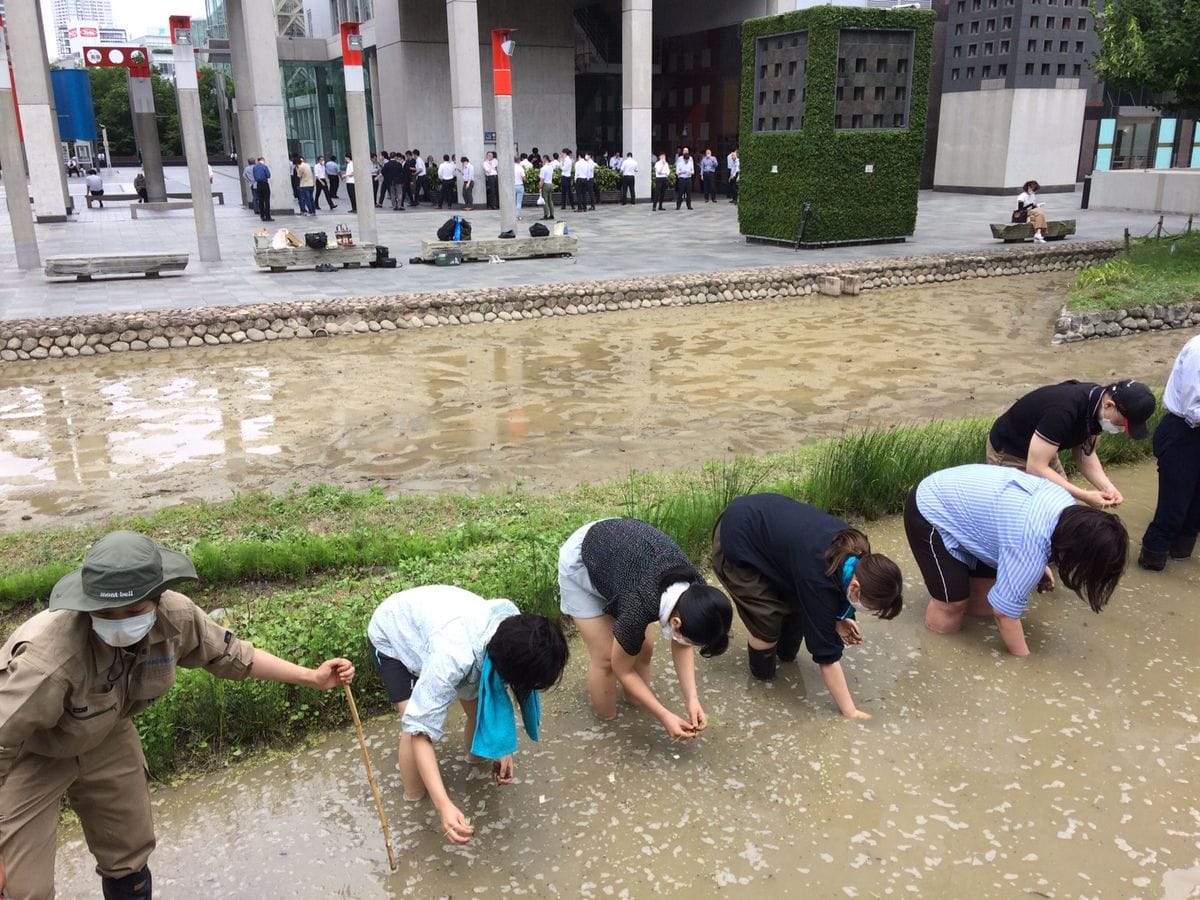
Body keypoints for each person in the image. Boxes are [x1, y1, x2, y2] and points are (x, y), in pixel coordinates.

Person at [0, 531, 355, 900]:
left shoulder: (176, 617)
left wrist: (311, 677)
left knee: (129, 849)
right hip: (28, 750)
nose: (119, 621)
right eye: (106, 613)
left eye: (133, 610)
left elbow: (233, 655)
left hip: (107, 733)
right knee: (24, 886)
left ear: (157, 600)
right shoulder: (49, 660)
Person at [367, 585, 568, 846]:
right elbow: (419, 730)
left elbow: (493, 696)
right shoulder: (450, 659)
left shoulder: (517, 632)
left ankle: (475, 763)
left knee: (473, 699)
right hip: (395, 635)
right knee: (410, 722)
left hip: (444, 622)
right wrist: (443, 807)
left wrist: (500, 749)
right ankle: (414, 802)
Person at [711, 494, 903, 720]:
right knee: (767, 624)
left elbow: (830, 593)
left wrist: (839, 618)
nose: (866, 610)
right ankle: (762, 682)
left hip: (772, 530)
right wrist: (850, 711)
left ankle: (781, 660)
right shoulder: (818, 577)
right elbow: (827, 657)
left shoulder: (861, 552)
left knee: (794, 625)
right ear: (856, 586)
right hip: (737, 536)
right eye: (868, 606)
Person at [904, 464, 1128, 657]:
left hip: (977, 514)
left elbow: (1027, 541)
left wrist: (1038, 566)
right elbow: (1004, 614)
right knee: (952, 603)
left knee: (982, 603)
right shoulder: (1028, 547)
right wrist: (1023, 664)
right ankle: (936, 656)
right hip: (932, 508)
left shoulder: (1066, 506)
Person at [557, 518, 732, 739]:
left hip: (623, 555)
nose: (688, 644)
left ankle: (636, 705)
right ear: (676, 623)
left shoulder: (697, 593)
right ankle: (607, 728)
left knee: (644, 649)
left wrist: (692, 699)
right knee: (606, 660)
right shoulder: (638, 605)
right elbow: (623, 669)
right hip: (583, 559)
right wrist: (663, 715)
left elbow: (682, 642)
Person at [987, 379, 1155, 508]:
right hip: (1011, 451)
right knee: (1027, 513)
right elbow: (1036, 468)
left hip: (1044, 449)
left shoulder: (1097, 409)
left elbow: (1085, 456)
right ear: (1109, 405)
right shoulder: (1064, 410)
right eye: (1123, 424)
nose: (1124, 431)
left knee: (1065, 505)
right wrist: (1085, 495)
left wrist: (1107, 488)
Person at [1138, 334, 1200, 571]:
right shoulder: (1198, 350)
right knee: (1172, 510)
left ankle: (1181, 557)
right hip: (1183, 432)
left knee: (1195, 514)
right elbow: (1193, 410)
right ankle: (1151, 563)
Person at [252, 157, 273, 222]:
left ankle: (262, 216)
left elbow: (254, 176)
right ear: (262, 160)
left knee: (260, 200)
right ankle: (268, 216)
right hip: (264, 184)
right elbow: (268, 175)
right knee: (267, 200)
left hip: (258, 184)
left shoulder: (254, 167)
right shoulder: (264, 167)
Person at [513, 154, 525, 220]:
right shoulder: (520, 168)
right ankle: (518, 216)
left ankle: (512, 215)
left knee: (513, 202)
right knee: (519, 202)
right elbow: (524, 178)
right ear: (519, 160)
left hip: (512, 186)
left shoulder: (511, 167)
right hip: (520, 185)